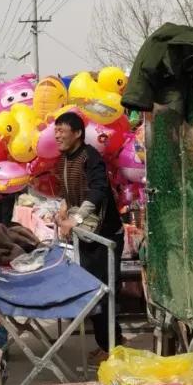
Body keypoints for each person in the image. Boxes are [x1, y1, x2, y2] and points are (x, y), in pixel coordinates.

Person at [53, 111, 124, 359]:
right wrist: (63, 208)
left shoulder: (90, 157)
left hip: (105, 235)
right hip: (85, 235)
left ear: (77, 133)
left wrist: (76, 219)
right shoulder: (63, 159)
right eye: (56, 131)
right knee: (93, 291)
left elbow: (99, 190)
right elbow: (67, 191)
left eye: (62, 130)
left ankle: (114, 349)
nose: (57, 135)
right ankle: (107, 345)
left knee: (106, 292)